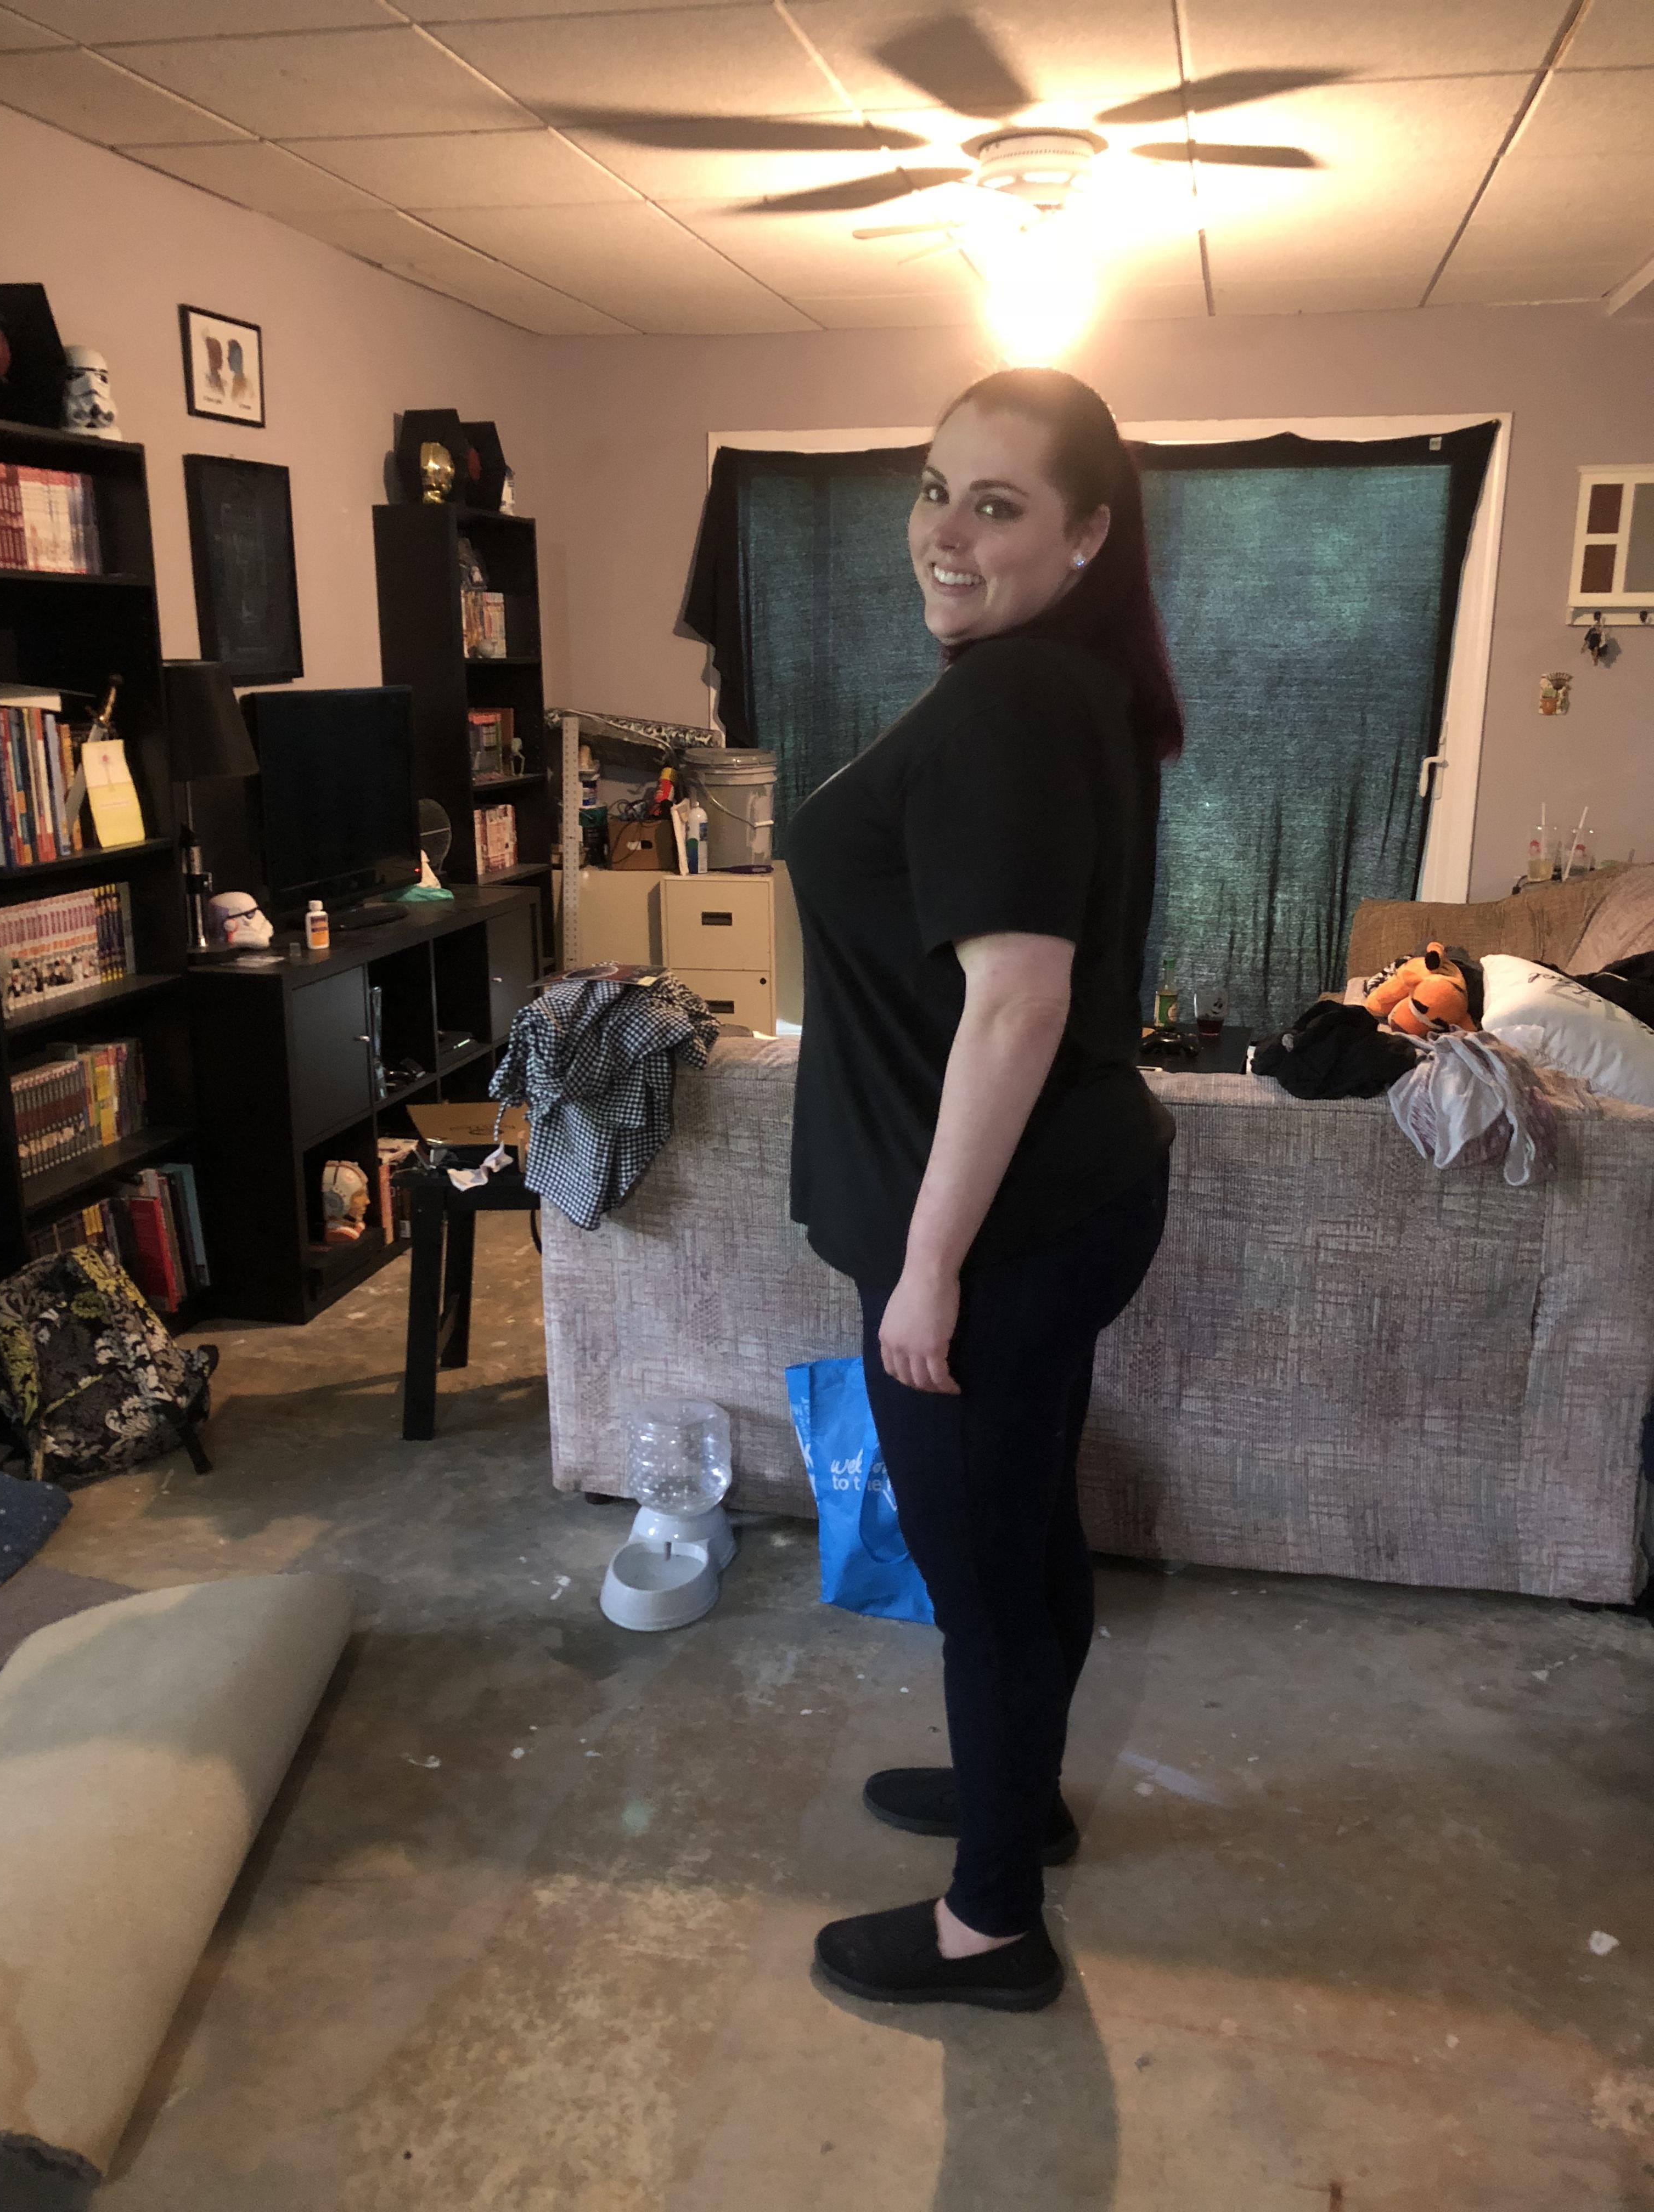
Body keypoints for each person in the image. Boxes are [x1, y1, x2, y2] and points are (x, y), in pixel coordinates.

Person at [785, 367, 1183, 2012]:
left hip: (995, 1233)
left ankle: (992, 1928)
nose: (944, 532)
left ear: (1086, 535)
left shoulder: (1017, 700)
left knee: (982, 1582)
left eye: (998, 504)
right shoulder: (1067, 685)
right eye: (934, 487)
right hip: (1066, 1200)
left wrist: (929, 1267)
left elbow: (1018, 1004)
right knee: (1024, 1531)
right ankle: (1023, 1802)